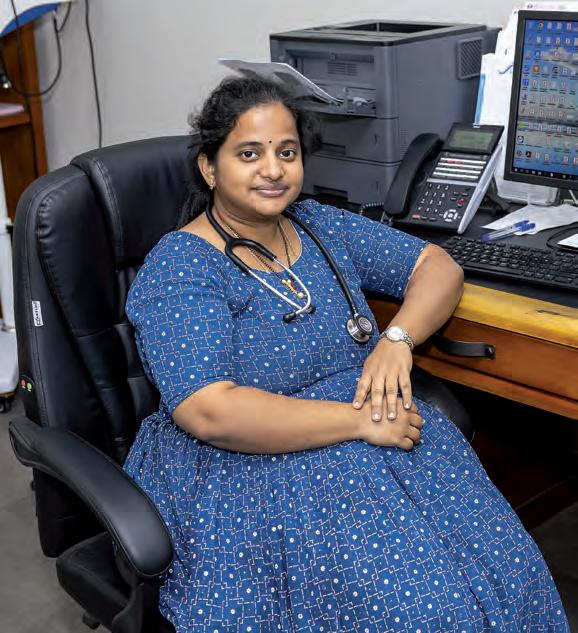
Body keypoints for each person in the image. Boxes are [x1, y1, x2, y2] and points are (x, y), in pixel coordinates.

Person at [124, 76, 569, 632]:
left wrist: (397, 341)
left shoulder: (316, 226)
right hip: (253, 463)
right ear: (209, 168)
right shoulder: (182, 266)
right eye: (249, 154)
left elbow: (438, 267)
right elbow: (209, 410)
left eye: (287, 152)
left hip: (373, 436)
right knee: (428, 613)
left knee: (512, 573)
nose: (273, 170)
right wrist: (359, 422)